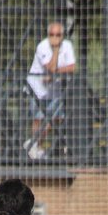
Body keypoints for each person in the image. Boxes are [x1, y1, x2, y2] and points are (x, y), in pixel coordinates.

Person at [23, 21, 76, 161]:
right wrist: (56, 50)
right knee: (38, 118)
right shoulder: (42, 47)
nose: (55, 38)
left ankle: (36, 143)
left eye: (58, 35)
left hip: (54, 89)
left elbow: (72, 67)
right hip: (37, 89)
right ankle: (35, 146)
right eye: (52, 35)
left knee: (57, 118)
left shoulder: (68, 46)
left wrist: (58, 71)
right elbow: (51, 67)